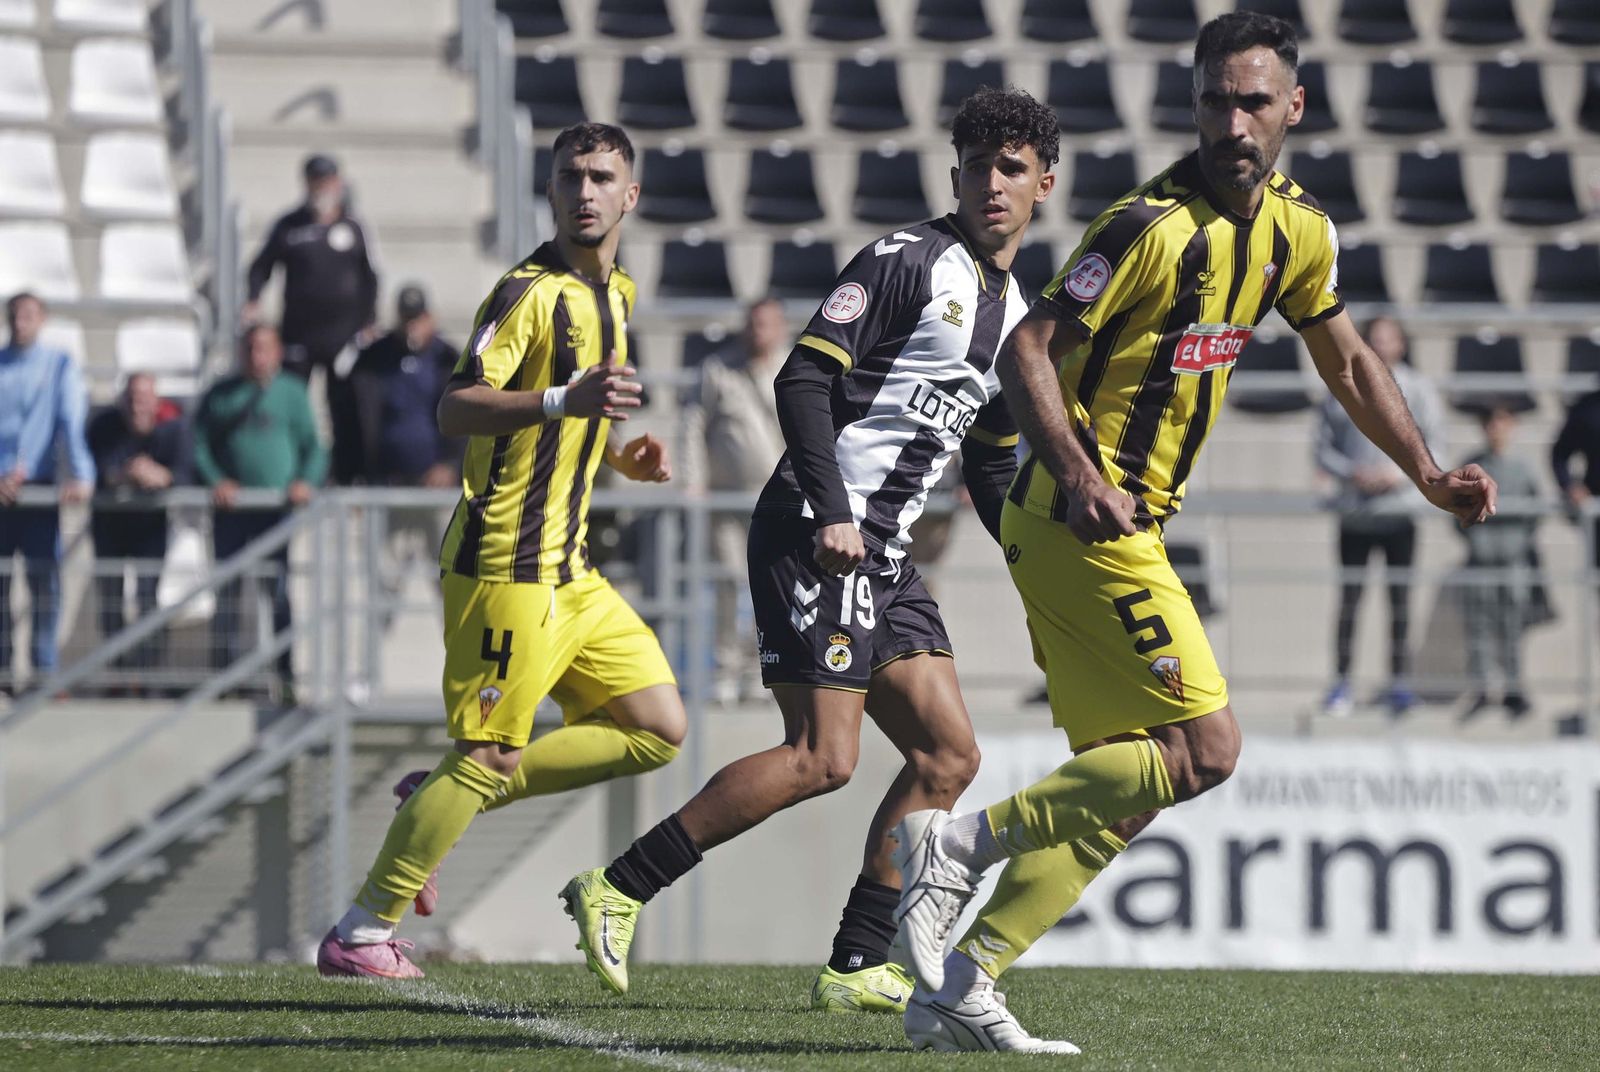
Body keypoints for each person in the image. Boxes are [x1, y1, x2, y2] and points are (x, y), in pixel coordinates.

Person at [888, 13, 1497, 1054]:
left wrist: (1427, 473)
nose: (1233, 122)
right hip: (1077, 516)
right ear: (1195, 107)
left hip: (1122, 526)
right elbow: (1027, 350)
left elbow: (1349, 361)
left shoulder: (1298, 231)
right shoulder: (1147, 228)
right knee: (1207, 750)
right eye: (1216, 101)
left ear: (1293, 106)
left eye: (1253, 102)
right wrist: (1082, 475)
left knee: (1126, 785)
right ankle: (957, 846)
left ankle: (963, 980)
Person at [560, 87, 1055, 1015]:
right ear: (954, 175)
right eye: (978, 167)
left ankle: (857, 960)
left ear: (1044, 185)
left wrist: (1040, 561)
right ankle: (619, 886)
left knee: (949, 757)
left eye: (1013, 168)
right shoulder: (908, 262)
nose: (993, 184)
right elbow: (802, 378)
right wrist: (832, 511)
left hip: (887, 555)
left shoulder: (1017, 311)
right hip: (815, 532)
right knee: (822, 757)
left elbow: (991, 461)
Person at [315, 122, 687, 980]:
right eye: (570, 177)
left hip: (572, 569)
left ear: (630, 196)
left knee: (657, 728)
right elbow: (456, 406)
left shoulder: (618, 293)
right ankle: (361, 933)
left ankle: (439, 797)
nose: (585, 191)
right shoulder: (527, 292)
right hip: (505, 564)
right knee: (487, 755)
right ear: (549, 191)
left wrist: (622, 458)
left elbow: (578, 417)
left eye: (602, 178)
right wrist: (560, 400)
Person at [1315, 315, 1444, 717]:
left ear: (1402, 344)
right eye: (1376, 338)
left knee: (1399, 601)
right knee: (1350, 601)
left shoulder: (1419, 389)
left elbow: (1437, 444)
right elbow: (1322, 449)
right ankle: (1341, 683)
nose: (1383, 345)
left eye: (1390, 339)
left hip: (1399, 515)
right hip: (1356, 515)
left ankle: (1399, 682)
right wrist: (1352, 472)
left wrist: (1399, 475)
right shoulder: (1343, 383)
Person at [191, 325, 327, 697]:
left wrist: (305, 481)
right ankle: (223, 680)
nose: (257, 356)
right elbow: (199, 445)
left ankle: (285, 678)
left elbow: (315, 448)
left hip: (275, 513)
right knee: (227, 593)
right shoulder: (221, 395)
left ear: (277, 352)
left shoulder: (292, 393)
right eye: (250, 348)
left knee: (279, 593)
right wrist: (216, 480)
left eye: (264, 348)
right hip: (232, 512)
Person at [243, 153, 379, 485]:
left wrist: (369, 320)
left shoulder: (352, 227)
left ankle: (345, 477)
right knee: (292, 402)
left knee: (345, 408)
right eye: (316, 181)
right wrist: (254, 298)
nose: (322, 188)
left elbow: (369, 278)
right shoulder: (290, 226)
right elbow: (260, 267)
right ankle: (293, 471)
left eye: (327, 180)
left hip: (342, 339)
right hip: (299, 336)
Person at [680, 295, 790, 701]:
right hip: (726, 501)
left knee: (773, 587)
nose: (756, 332)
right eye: (751, 323)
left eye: (765, 324)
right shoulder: (717, 369)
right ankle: (726, 667)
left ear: (780, 328)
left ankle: (762, 668)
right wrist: (693, 482)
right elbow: (692, 425)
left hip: (778, 502)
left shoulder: (793, 368)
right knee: (729, 582)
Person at [347, 283, 461, 618]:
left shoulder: (448, 359)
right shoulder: (374, 359)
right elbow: (354, 420)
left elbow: (468, 418)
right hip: (390, 487)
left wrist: (451, 464)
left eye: (418, 317)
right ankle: (375, 649)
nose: (412, 326)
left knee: (452, 582)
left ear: (431, 318)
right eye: (406, 317)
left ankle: (459, 650)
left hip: (437, 491)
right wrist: (359, 474)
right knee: (383, 583)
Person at [0, 292, 94, 693]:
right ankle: (3, 672)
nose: (21, 322)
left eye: (29, 315)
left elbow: (70, 421)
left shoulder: (58, 365)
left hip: (38, 491)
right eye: (15, 315)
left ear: (42, 320)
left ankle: (45, 673)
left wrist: (81, 474)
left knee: (44, 584)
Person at [86, 372, 189, 683]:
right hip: (109, 528)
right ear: (121, 401)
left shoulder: (173, 429)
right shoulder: (103, 426)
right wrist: (127, 474)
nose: (137, 406)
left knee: (148, 600)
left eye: (143, 399)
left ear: (156, 402)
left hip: (150, 528)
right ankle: (118, 677)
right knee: (110, 601)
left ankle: (147, 677)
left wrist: (164, 476)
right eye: (131, 399)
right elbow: (98, 468)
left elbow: (187, 473)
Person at [1460, 405, 1540, 720]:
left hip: (1513, 561)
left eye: (1502, 420)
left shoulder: (1523, 468)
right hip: (1480, 560)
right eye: (1490, 421)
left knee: (1512, 624)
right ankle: (1482, 688)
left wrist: (1516, 544)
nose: (1496, 427)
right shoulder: (1472, 465)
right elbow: (1456, 512)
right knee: (1479, 624)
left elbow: (1535, 514)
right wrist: (1477, 542)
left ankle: (1514, 689)